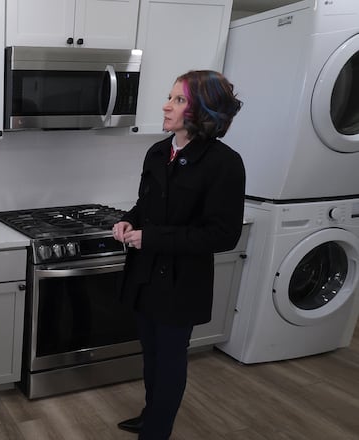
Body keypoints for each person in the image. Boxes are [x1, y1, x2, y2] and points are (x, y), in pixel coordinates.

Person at [112, 70, 245, 440]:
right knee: (151, 356)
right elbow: (145, 206)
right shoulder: (158, 151)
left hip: (181, 285)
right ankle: (151, 413)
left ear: (203, 111)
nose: (166, 106)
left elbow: (223, 235)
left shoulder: (224, 163)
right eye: (170, 97)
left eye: (179, 100)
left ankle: (156, 431)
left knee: (169, 361)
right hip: (144, 276)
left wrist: (152, 237)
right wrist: (127, 222)